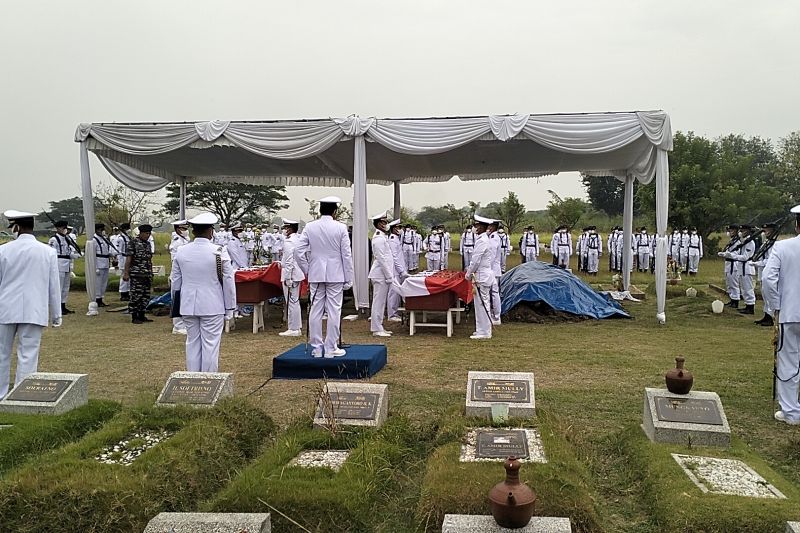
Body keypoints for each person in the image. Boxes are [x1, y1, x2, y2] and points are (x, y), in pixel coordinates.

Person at [0, 210, 61, 398]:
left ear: (17, 227)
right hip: (35, 310)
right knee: (28, 353)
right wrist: (56, 314)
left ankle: (1, 394)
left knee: (1, 353)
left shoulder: (3, 250)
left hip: (5, 308)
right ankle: (21, 395)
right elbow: (54, 286)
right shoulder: (48, 252)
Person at [171, 213, 236, 372]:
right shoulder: (219, 251)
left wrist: (177, 304)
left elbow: (175, 282)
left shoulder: (182, 251)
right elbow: (228, 281)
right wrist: (230, 307)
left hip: (188, 305)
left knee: (192, 342)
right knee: (210, 344)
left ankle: (193, 377)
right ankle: (209, 381)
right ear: (210, 231)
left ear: (193, 232)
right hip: (212, 304)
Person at [294, 196, 354, 358]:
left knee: (316, 309)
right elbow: (346, 255)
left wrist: (308, 269)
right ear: (335, 212)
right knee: (334, 310)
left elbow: (298, 252)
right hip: (336, 273)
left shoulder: (310, 226)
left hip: (316, 272)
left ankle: (316, 347)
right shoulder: (341, 228)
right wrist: (349, 277)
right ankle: (331, 346)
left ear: (320, 210)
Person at [762, 204, 800, 425]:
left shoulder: (782, 247)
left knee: (788, 360)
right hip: (790, 310)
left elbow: (768, 279)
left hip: (791, 311)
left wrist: (775, 306)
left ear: (796, 225)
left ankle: (791, 412)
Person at [465, 214, 495, 340]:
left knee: (482, 304)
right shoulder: (483, 239)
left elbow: (476, 260)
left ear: (482, 227)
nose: (474, 228)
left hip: (481, 276)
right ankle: (481, 330)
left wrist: (468, 274)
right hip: (482, 275)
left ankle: (485, 331)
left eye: (476, 226)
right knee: (481, 304)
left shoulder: (482, 241)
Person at [368, 212, 398, 337]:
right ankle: (376, 328)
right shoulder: (378, 239)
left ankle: (379, 326)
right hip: (380, 275)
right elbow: (381, 259)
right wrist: (389, 275)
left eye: (386, 222)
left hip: (383, 274)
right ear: (378, 224)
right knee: (378, 302)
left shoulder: (383, 237)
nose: (386, 225)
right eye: (383, 223)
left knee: (381, 302)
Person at [123, 224, 154, 325]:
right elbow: (128, 259)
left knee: (145, 295)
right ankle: (134, 316)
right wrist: (126, 273)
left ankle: (142, 314)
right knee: (136, 295)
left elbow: (149, 260)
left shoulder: (148, 244)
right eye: (146, 233)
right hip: (137, 274)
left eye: (149, 233)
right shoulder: (133, 243)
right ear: (140, 233)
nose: (147, 235)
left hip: (146, 274)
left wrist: (151, 273)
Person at [49, 220, 81, 315]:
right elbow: (51, 253)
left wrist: (75, 255)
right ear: (58, 228)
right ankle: (57, 307)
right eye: (63, 228)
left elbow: (68, 252)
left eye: (65, 228)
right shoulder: (53, 240)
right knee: (59, 287)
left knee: (65, 287)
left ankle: (63, 306)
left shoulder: (67, 238)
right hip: (59, 265)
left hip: (67, 265)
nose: (65, 230)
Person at [279, 218, 305, 337]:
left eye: (285, 228)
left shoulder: (289, 242)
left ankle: (293, 328)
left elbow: (289, 261)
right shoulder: (298, 239)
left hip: (291, 274)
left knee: (291, 302)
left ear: (290, 229)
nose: (284, 231)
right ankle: (296, 326)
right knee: (295, 301)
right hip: (296, 272)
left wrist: (287, 277)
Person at [752, 222, 778, 326]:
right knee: (764, 295)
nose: (765, 232)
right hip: (763, 272)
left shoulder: (775, 244)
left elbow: (771, 260)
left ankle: (770, 317)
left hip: (769, 272)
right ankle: (766, 315)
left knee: (769, 296)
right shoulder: (767, 242)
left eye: (768, 230)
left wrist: (757, 263)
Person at [168, 220, 191, 334]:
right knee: (177, 298)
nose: (186, 231)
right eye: (184, 229)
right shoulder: (177, 242)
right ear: (178, 229)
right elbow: (175, 260)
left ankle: (183, 324)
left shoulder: (185, 240)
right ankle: (177, 326)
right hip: (178, 274)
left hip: (185, 274)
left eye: (186, 228)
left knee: (183, 299)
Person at [730, 224, 757, 315]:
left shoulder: (750, 242)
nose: (742, 232)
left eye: (744, 231)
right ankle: (747, 305)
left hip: (747, 267)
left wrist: (732, 256)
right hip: (742, 267)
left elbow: (745, 257)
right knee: (743, 288)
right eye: (741, 231)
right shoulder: (744, 241)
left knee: (748, 288)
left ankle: (750, 306)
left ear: (749, 231)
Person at [387, 219, 407, 322]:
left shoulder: (396, 239)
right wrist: (401, 270)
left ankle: (394, 312)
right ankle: (392, 314)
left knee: (397, 292)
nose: (401, 229)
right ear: (394, 229)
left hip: (399, 269)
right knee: (393, 293)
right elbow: (394, 257)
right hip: (395, 270)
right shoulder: (392, 239)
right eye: (399, 228)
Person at [92, 223, 116, 307]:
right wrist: (95, 267)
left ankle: (101, 297)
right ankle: (97, 299)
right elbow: (92, 254)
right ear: (97, 230)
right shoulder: (94, 240)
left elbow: (106, 250)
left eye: (103, 229)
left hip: (105, 262)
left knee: (104, 282)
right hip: (99, 263)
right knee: (98, 283)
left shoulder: (104, 239)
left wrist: (112, 254)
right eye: (101, 229)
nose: (102, 231)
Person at [487, 219, 502, 325]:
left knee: (494, 293)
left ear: (492, 227)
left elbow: (491, 256)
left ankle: (496, 316)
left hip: (492, 269)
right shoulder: (492, 237)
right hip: (492, 269)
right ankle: (494, 314)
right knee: (492, 292)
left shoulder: (494, 238)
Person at [116, 223, 133, 302]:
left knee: (128, 277)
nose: (129, 230)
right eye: (128, 228)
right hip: (123, 258)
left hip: (128, 258)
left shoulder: (128, 237)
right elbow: (119, 251)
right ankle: (123, 293)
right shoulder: (120, 238)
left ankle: (127, 292)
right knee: (124, 276)